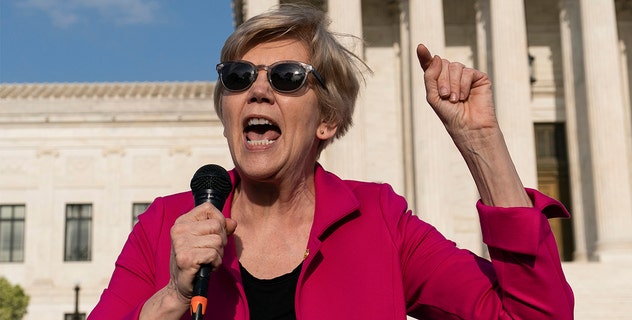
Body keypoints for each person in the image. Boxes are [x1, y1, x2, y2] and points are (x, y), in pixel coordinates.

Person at [89, 3, 574, 319]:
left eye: (288, 76)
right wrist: (173, 296)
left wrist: (481, 142)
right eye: (238, 77)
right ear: (225, 110)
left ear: (329, 119)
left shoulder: (381, 223)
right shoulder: (163, 227)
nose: (258, 89)